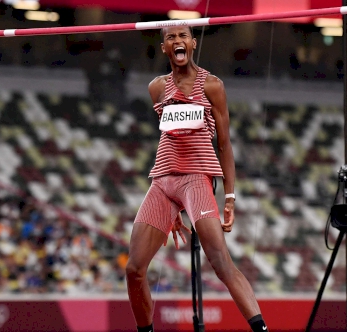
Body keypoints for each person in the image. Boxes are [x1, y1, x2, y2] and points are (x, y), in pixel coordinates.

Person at [125, 25, 269, 332]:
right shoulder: (156, 88)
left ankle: (262, 329)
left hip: (195, 179)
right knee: (134, 269)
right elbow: (171, 136)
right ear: (164, 47)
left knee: (220, 262)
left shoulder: (212, 86)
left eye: (182, 37)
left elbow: (224, 145)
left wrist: (229, 197)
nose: (177, 41)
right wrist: (173, 208)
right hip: (162, 182)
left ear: (192, 43)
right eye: (170, 38)